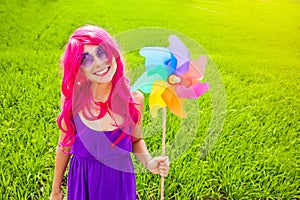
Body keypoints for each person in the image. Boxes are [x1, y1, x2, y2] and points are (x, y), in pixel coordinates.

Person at [50, 25, 170, 200]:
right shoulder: (73, 99)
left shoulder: (134, 99)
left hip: (119, 182)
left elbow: (136, 140)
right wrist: (55, 189)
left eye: (101, 53)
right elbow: (64, 144)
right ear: (78, 68)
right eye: (86, 59)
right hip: (83, 180)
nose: (98, 63)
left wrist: (149, 161)